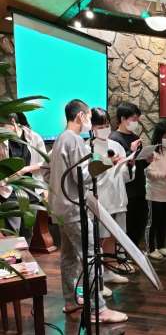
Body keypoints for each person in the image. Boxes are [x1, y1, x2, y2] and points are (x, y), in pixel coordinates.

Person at [48, 99, 127, 323]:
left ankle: (71, 301)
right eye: (89, 118)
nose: (90, 123)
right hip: (74, 208)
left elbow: (48, 173)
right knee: (91, 255)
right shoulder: (73, 139)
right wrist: (107, 163)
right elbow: (82, 176)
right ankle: (98, 309)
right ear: (80, 116)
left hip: (61, 206)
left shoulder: (60, 139)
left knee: (69, 257)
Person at [91, 108, 133, 283]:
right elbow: (90, 174)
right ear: (92, 127)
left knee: (113, 236)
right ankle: (98, 274)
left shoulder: (116, 146)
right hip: (101, 198)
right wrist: (109, 162)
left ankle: (109, 270)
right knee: (100, 238)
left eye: (107, 125)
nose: (104, 129)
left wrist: (129, 164)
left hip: (118, 196)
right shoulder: (88, 147)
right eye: (100, 126)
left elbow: (126, 176)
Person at [0, 112, 47, 238]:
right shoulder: (2, 140)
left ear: (13, 122)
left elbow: (45, 162)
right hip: (9, 192)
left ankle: (26, 252)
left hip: (31, 190)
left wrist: (24, 170)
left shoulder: (33, 137)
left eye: (2, 126)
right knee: (12, 234)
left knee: (28, 232)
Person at [110, 102, 147, 247]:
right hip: (126, 191)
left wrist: (147, 159)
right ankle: (124, 253)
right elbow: (115, 165)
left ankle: (134, 252)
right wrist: (130, 151)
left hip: (139, 188)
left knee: (139, 224)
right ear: (123, 118)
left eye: (137, 119)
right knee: (127, 226)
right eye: (133, 119)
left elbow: (139, 164)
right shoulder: (114, 139)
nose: (136, 122)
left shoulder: (135, 137)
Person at [145, 122, 166, 260]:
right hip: (154, 192)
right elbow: (149, 173)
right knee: (153, 221)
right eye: (165, 136)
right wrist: (164, 175)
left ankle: (161, 245)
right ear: (159, 136)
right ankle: (150, 248)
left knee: (164, 220)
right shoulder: (151, 152)